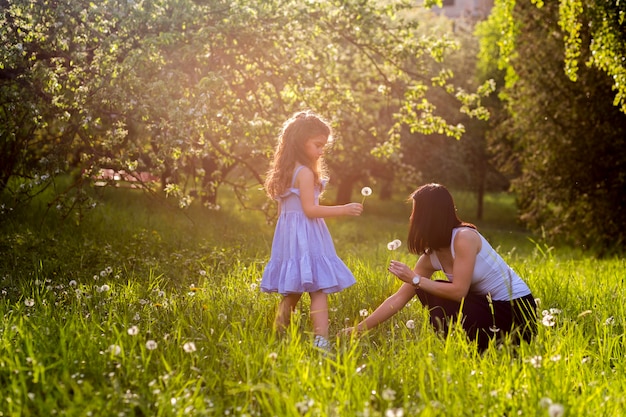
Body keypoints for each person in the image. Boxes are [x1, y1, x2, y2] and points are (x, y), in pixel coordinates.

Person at [345, 183, 537, 351]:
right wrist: (358, 329)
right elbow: (399, 298)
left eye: (415, 212)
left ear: (429, 215)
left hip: (516, 311)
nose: (411, 218)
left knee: (430, 287)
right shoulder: (431, 255)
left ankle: (476, 348)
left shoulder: (464, 237)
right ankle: (462, 347)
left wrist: (415, 279)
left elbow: (459, 292)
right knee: (429, 289)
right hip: (489, 309)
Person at [261, 110, 363, 350]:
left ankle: (278, 337)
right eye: (317, 145)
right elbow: (310, 210)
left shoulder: (286, 171)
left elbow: (282, 212)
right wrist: (344, 209)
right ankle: (321, 342)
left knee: (293, 291)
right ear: (300, 142)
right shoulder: (305, 173)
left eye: (323, 147)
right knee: (318, 288)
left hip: (289, 236)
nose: (320, 151)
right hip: (307, 235)